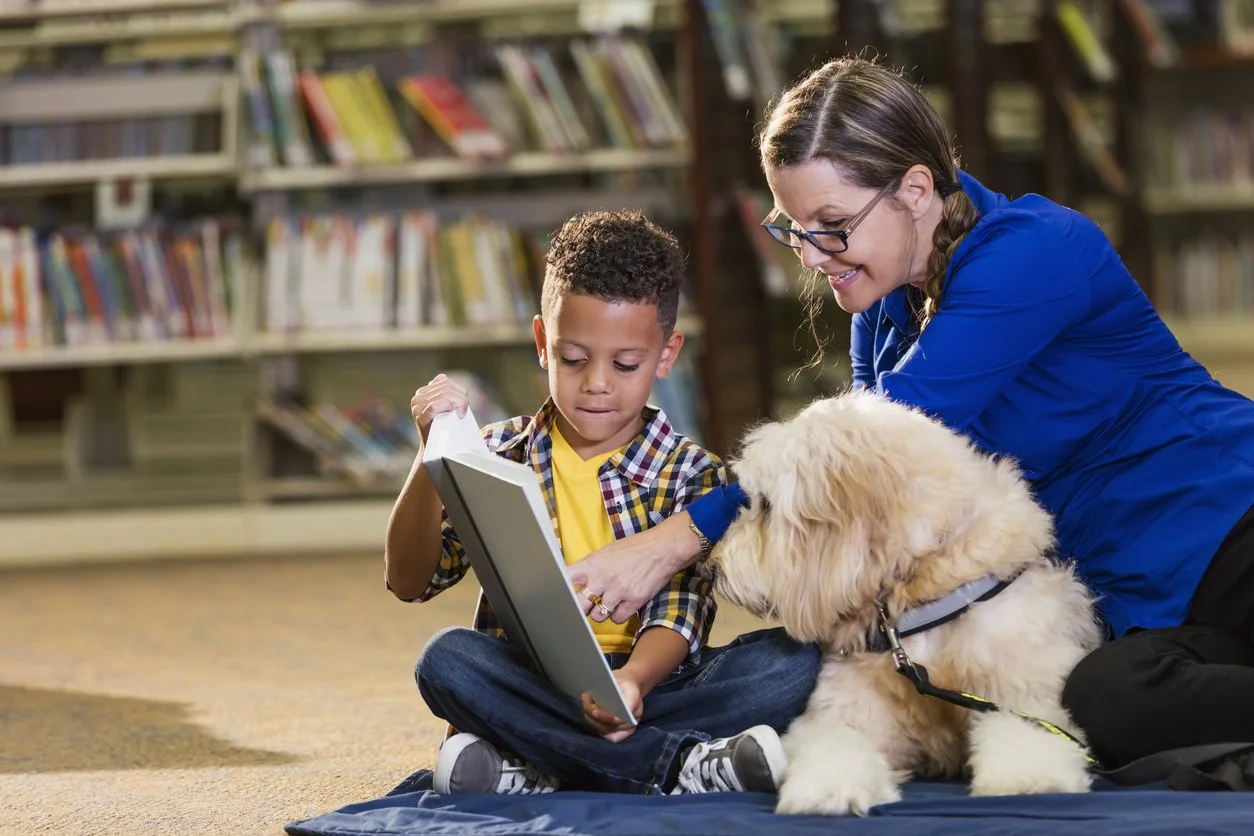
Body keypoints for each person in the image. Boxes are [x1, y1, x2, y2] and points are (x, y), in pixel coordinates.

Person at [566, 57, 1254, 773]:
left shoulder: (1035, 251)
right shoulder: (882, 308)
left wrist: (672, 542)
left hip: (1224, 521)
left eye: (832, 224)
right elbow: (868, 496)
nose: (811, 257)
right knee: (1105, 702)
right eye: (794, 228)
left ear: (916, 190)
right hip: (1127, 592)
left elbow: (871, 444)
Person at [384, 210, 822, 797]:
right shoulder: (496, 452)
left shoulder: (694, 473)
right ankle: (678, 766)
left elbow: (681, 609)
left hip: (656, 685)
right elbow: (411, 580)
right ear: (542, 343)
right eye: (573, 358)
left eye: (625, 365)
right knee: (446, 660)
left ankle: (536, 765)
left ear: (666, 354)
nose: (596, 383)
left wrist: (633, 681)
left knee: (797, 662)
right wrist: (429, 453)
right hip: (534, 681)